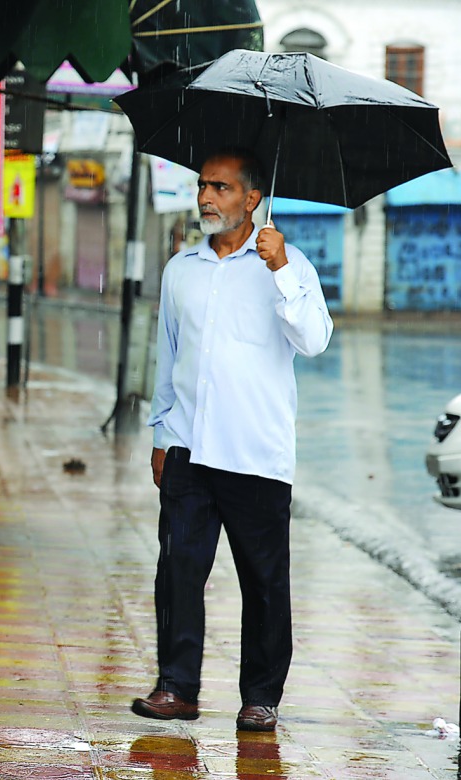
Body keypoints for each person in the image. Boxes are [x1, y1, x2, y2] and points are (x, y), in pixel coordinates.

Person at [132, 148, 333, 733]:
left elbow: (315, 340)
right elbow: (168, 356)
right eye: (202, 186)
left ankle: (261, 696)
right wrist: (161, 435)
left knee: (264, 582)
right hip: (190, 448)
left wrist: (282, 270)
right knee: (177, 571)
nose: (205, 198)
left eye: (220, 188)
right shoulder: (181, 270)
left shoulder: (288, 265)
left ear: (252, 199)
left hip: (256, 454)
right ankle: (177, 688)